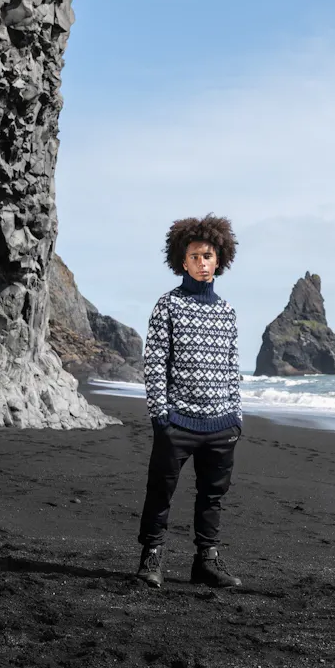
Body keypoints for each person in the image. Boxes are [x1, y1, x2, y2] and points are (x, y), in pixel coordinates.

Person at [136, 214, 243, 589]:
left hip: (221, 426)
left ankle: (206, 562)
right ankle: (151, 557)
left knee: (212, 497)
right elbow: (154, 364)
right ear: (183, 261)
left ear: (220, 260)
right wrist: (161, 417)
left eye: (208, 256)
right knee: (160, 492)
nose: (201, 262)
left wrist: (236, 418)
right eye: (195, 256)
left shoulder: (227, 312)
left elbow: (232, 367)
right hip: (177, 423)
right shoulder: (168, 305)